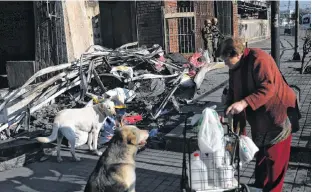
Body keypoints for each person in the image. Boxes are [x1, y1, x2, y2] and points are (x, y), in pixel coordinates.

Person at [219, 37, 300, 192]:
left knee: (275, 158)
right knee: (262, 152)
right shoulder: (235, 66)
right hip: (259, 118)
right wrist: (228, 106)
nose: (225, 64)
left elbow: (268, 88)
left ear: (237, 54)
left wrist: (243, 103)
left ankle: (273, 189)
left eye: (227, 60)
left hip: (277, 113)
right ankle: (260, 186)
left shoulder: (259, 58)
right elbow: (233, 89)